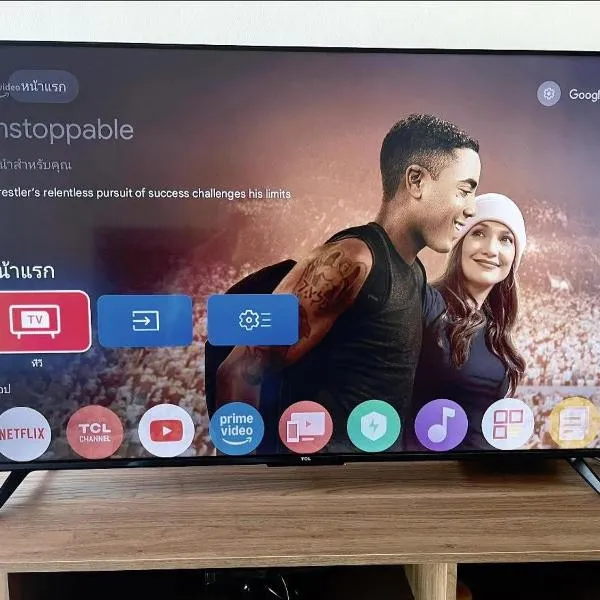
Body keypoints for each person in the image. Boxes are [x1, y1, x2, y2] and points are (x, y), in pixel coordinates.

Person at [215, 113, 482, 451]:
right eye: (464, 191)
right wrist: (248, 474)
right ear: (415, 181)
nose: (471, 209)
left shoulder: (414, 271)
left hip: (374, 475)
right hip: (322, 478)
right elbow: (239, 371)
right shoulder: (352, 261)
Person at [407, 192, 527, 450]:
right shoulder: (426, 305)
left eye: (506, 239)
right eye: (479, 233)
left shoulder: (494, 329)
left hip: (482, 470)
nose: (491, 249)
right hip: (428, 468)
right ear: (460, 243)